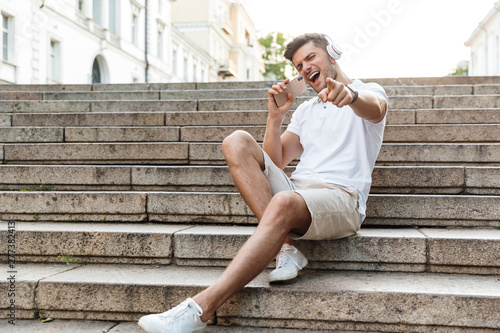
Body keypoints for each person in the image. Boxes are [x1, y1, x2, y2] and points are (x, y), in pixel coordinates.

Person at [138, 32, 388, 333]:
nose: (305, 68)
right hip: (299, 195)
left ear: (332, 54)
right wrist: (275, 118)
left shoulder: (368, 91)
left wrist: (351, 97)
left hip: (342, 199)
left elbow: (376, 109)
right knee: (237, 142)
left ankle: (199, 310)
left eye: (311, 58)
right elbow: (275, 162)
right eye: (298, 66)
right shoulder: (306, 110)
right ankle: (288, 246)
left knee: (283, 202)